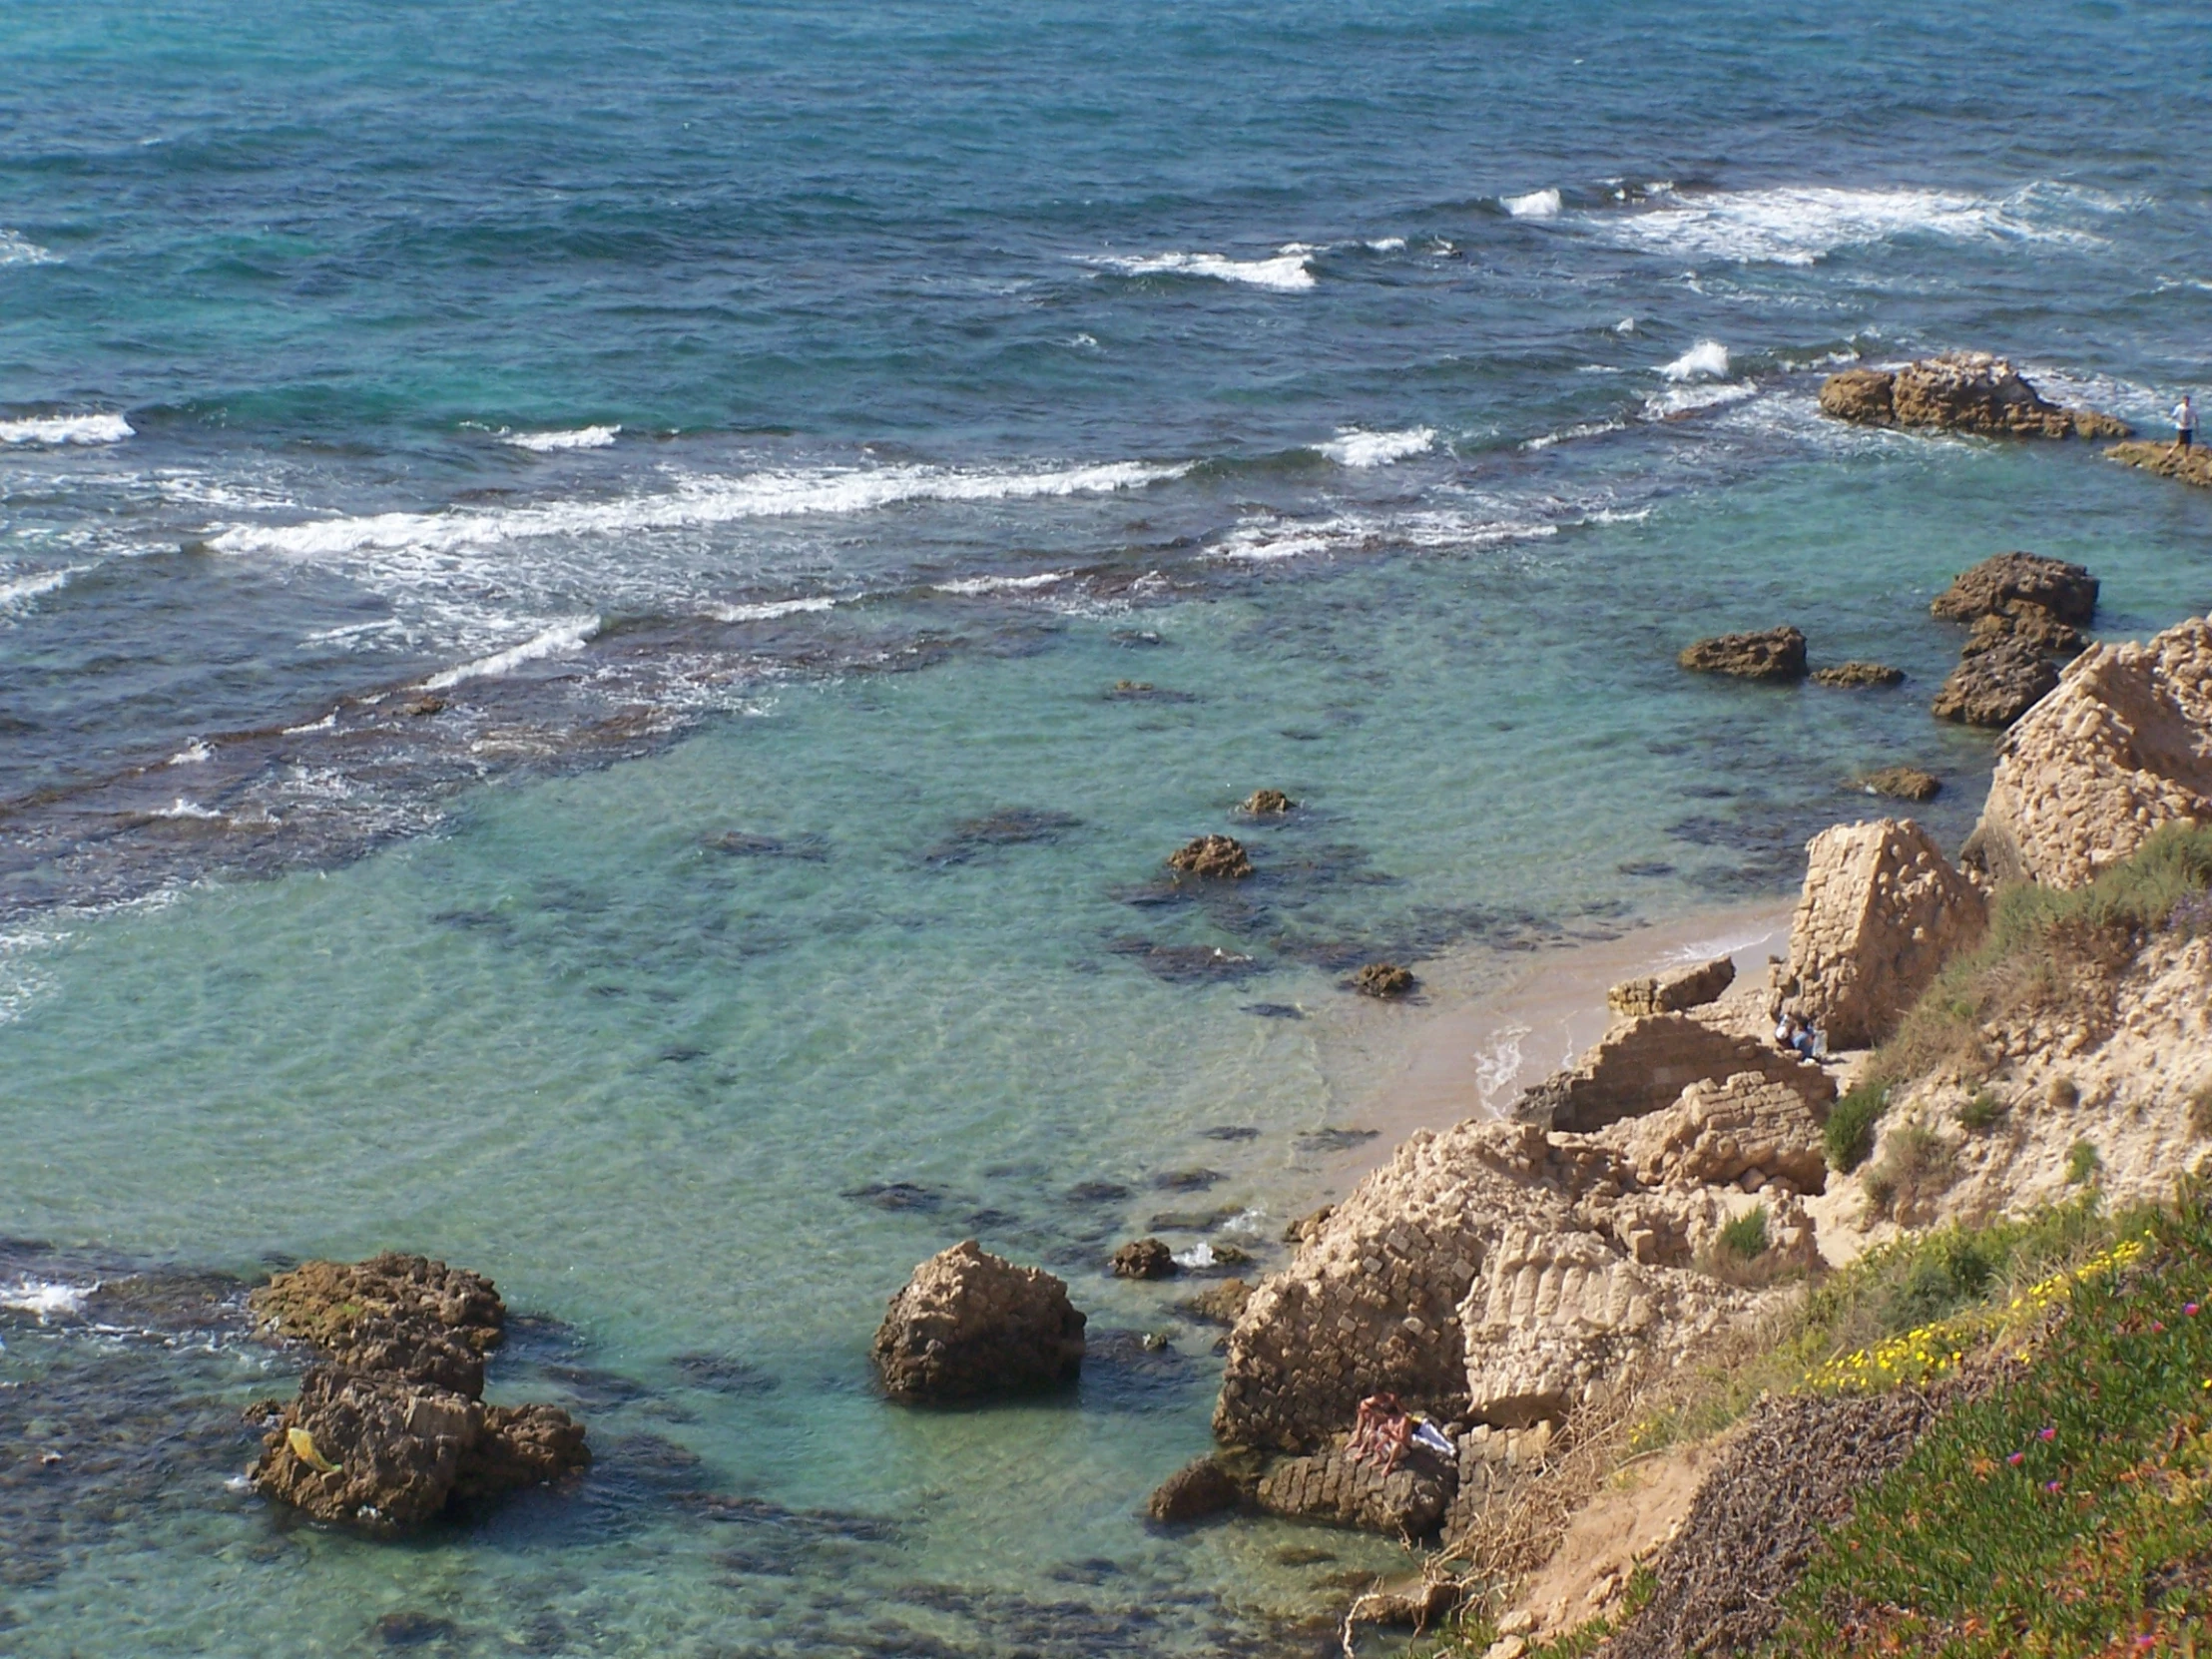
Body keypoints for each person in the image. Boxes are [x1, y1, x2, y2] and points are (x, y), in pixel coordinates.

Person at [2174, 394, 2197, 458]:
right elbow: (2174, 416)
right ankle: (2170, 451)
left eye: (2188, 401)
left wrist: (2196, 425)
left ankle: (2186, 455)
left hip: (2188, 426)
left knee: (2188, 443)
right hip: (2181, 427)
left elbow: (2195, 416)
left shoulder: (2191, 408)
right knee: (2179, 442)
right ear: (2183, 400)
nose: (2187, 402)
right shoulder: (2179, 407)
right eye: (2185, 400)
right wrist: (2179, 422)